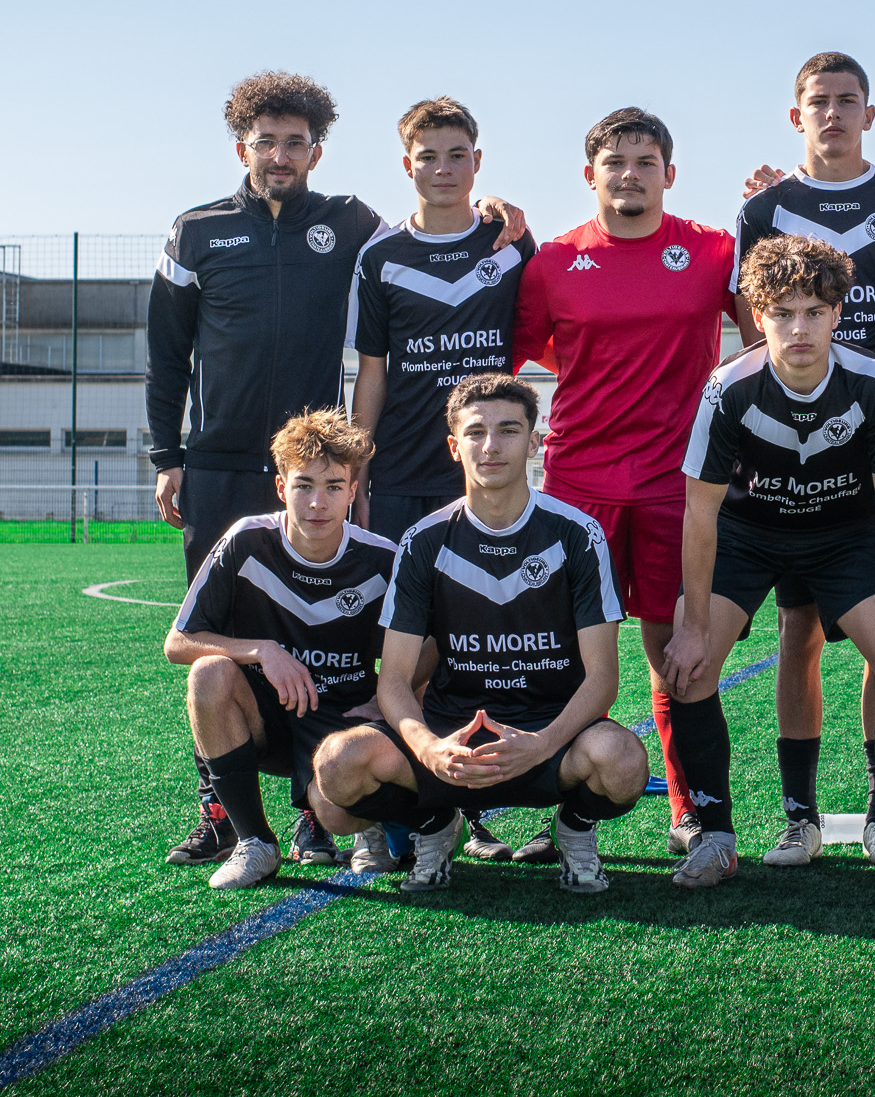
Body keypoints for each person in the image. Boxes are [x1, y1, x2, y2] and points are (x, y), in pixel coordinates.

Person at [150, 70, 525, 866]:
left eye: (296, 143)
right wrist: (166, 455)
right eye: (266, 142)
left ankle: (332, 806)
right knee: (224, 641)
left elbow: (431, 228)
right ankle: (223, 813)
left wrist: (496, 210)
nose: (281, 156)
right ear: (243, 148)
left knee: (349, 630)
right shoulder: (196, 231)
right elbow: (166, 353)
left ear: (316, 151)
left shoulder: (351, 223)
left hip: (317, 465)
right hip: (218, 465)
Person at [665, 235, 875, 889]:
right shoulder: (728, 387)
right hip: (749, 534)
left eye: (814, 312)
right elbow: (700, 511)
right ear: (758, 316)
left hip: (843, 536)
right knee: (690, 667)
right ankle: (719, 837)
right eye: (783, 313)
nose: (799, 329)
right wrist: (693, 624)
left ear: (838, 313)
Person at [310, 375, 644, 894]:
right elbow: (393, 679)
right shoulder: (424, 541)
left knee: (623, 761)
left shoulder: (578, 534)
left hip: (550, 734)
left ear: (534, 442)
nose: (491, 446)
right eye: (476, 432)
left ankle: (575, 827)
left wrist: (542, 744)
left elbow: (602, 679)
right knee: (336, 766)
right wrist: (428, 748)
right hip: (453, 736)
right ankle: (434, 824)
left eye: (509, 430)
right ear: (454, 446)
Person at [510, 108, 737, 860]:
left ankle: (691, 810)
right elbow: (510, 363)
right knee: (567, 654)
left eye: (645, 162)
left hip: (679, 486)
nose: (629, 175)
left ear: (669, 174)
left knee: (678, 652)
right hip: (579, 486)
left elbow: (771, 325)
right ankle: (563, 815)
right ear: (590, 175)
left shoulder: (713, 250)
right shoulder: (553, 261)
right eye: (615, 162)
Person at [734, 53, 875, 860]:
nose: (832, 112)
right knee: (799, 630)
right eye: (818, 101)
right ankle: (802, 815)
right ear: (797, 116)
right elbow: (752, 321)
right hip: (791, 453)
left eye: (847, 100)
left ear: (869, 113)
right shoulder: (766, 207)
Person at [346, 96, 537, 864]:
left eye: (458, 154)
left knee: (475, 641)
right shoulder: (381, 256)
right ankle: (383, 807)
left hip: (488, 475)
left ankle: (469, 802)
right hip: (402, 473)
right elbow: (372, 371)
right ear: (407, 165)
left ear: (477, 162)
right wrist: (359, 470)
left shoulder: (509, 242)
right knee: (397, 644)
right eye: (429, 156)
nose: (444, 168)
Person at [164, 411, 398, 886]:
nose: (318, 503)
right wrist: (263, 651)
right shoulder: (246, 541)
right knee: (208, 673)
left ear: (353, 491)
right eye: (303, 485)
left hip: (344, 722)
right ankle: (255, 841)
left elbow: (430, 647)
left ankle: (370, 822)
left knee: (336, 815)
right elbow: (178, 641)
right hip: (266, 720)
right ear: (280, 487)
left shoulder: (382, 559)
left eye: (334, 487)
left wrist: (389, 698)